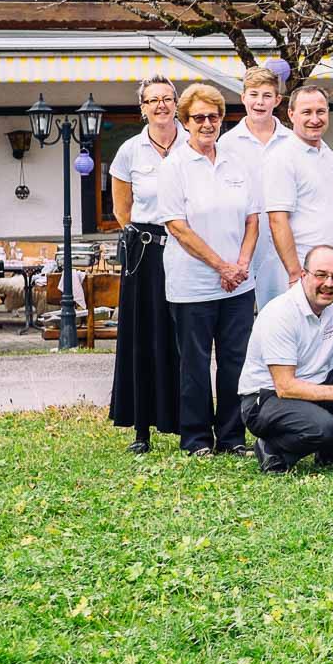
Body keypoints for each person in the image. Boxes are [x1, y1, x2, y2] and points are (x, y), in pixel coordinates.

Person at [158, 83, 258, 457]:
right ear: (185, 121)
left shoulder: (237, 163)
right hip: (193, 285)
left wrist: (241, 265)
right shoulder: (174, 167)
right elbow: (178, 227)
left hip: (238, 285)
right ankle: (196, 438)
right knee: (195, 364)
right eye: (198, 117)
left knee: (235, 362)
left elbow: (252, 219)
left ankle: (232, 437)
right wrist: (221, 266)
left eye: (213, 116)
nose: (206, 124)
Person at [238, 246, 333, 473]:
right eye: (321, 275)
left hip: (311, 385)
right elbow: (285, 387)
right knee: (324, 428)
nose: (329, 283)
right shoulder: (281, 313)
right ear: (303, 275)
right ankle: (272, 448)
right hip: (265, 399)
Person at [109, 74, 189, 454]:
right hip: (145, 253)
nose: (161, 105)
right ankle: (142, 430)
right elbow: (121, 209)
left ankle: (190, 425)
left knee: (184, 337)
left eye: (167, 98)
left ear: (177, 104)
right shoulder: (130, 150)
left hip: (188, 246)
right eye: (153, 100)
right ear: (142, 108)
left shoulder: (193, 143)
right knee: (144, 338)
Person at [219, 67, 294, 308]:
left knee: (284, 310)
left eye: (266, 95)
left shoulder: (292, 141)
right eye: (253, 94)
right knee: (243, 313)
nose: (259, 102)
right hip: (244, 243)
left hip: (286, 239)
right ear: (243, 97)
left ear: (277, 100)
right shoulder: (226, 144)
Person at [264, 85, 333, 288]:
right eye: (307, 112)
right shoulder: (282, 157)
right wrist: (294, 274)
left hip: (330, 269)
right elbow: (277, 220)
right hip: (302, 271)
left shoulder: (329, 155)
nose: (315, 119)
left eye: (321, 111)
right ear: (291, 115)